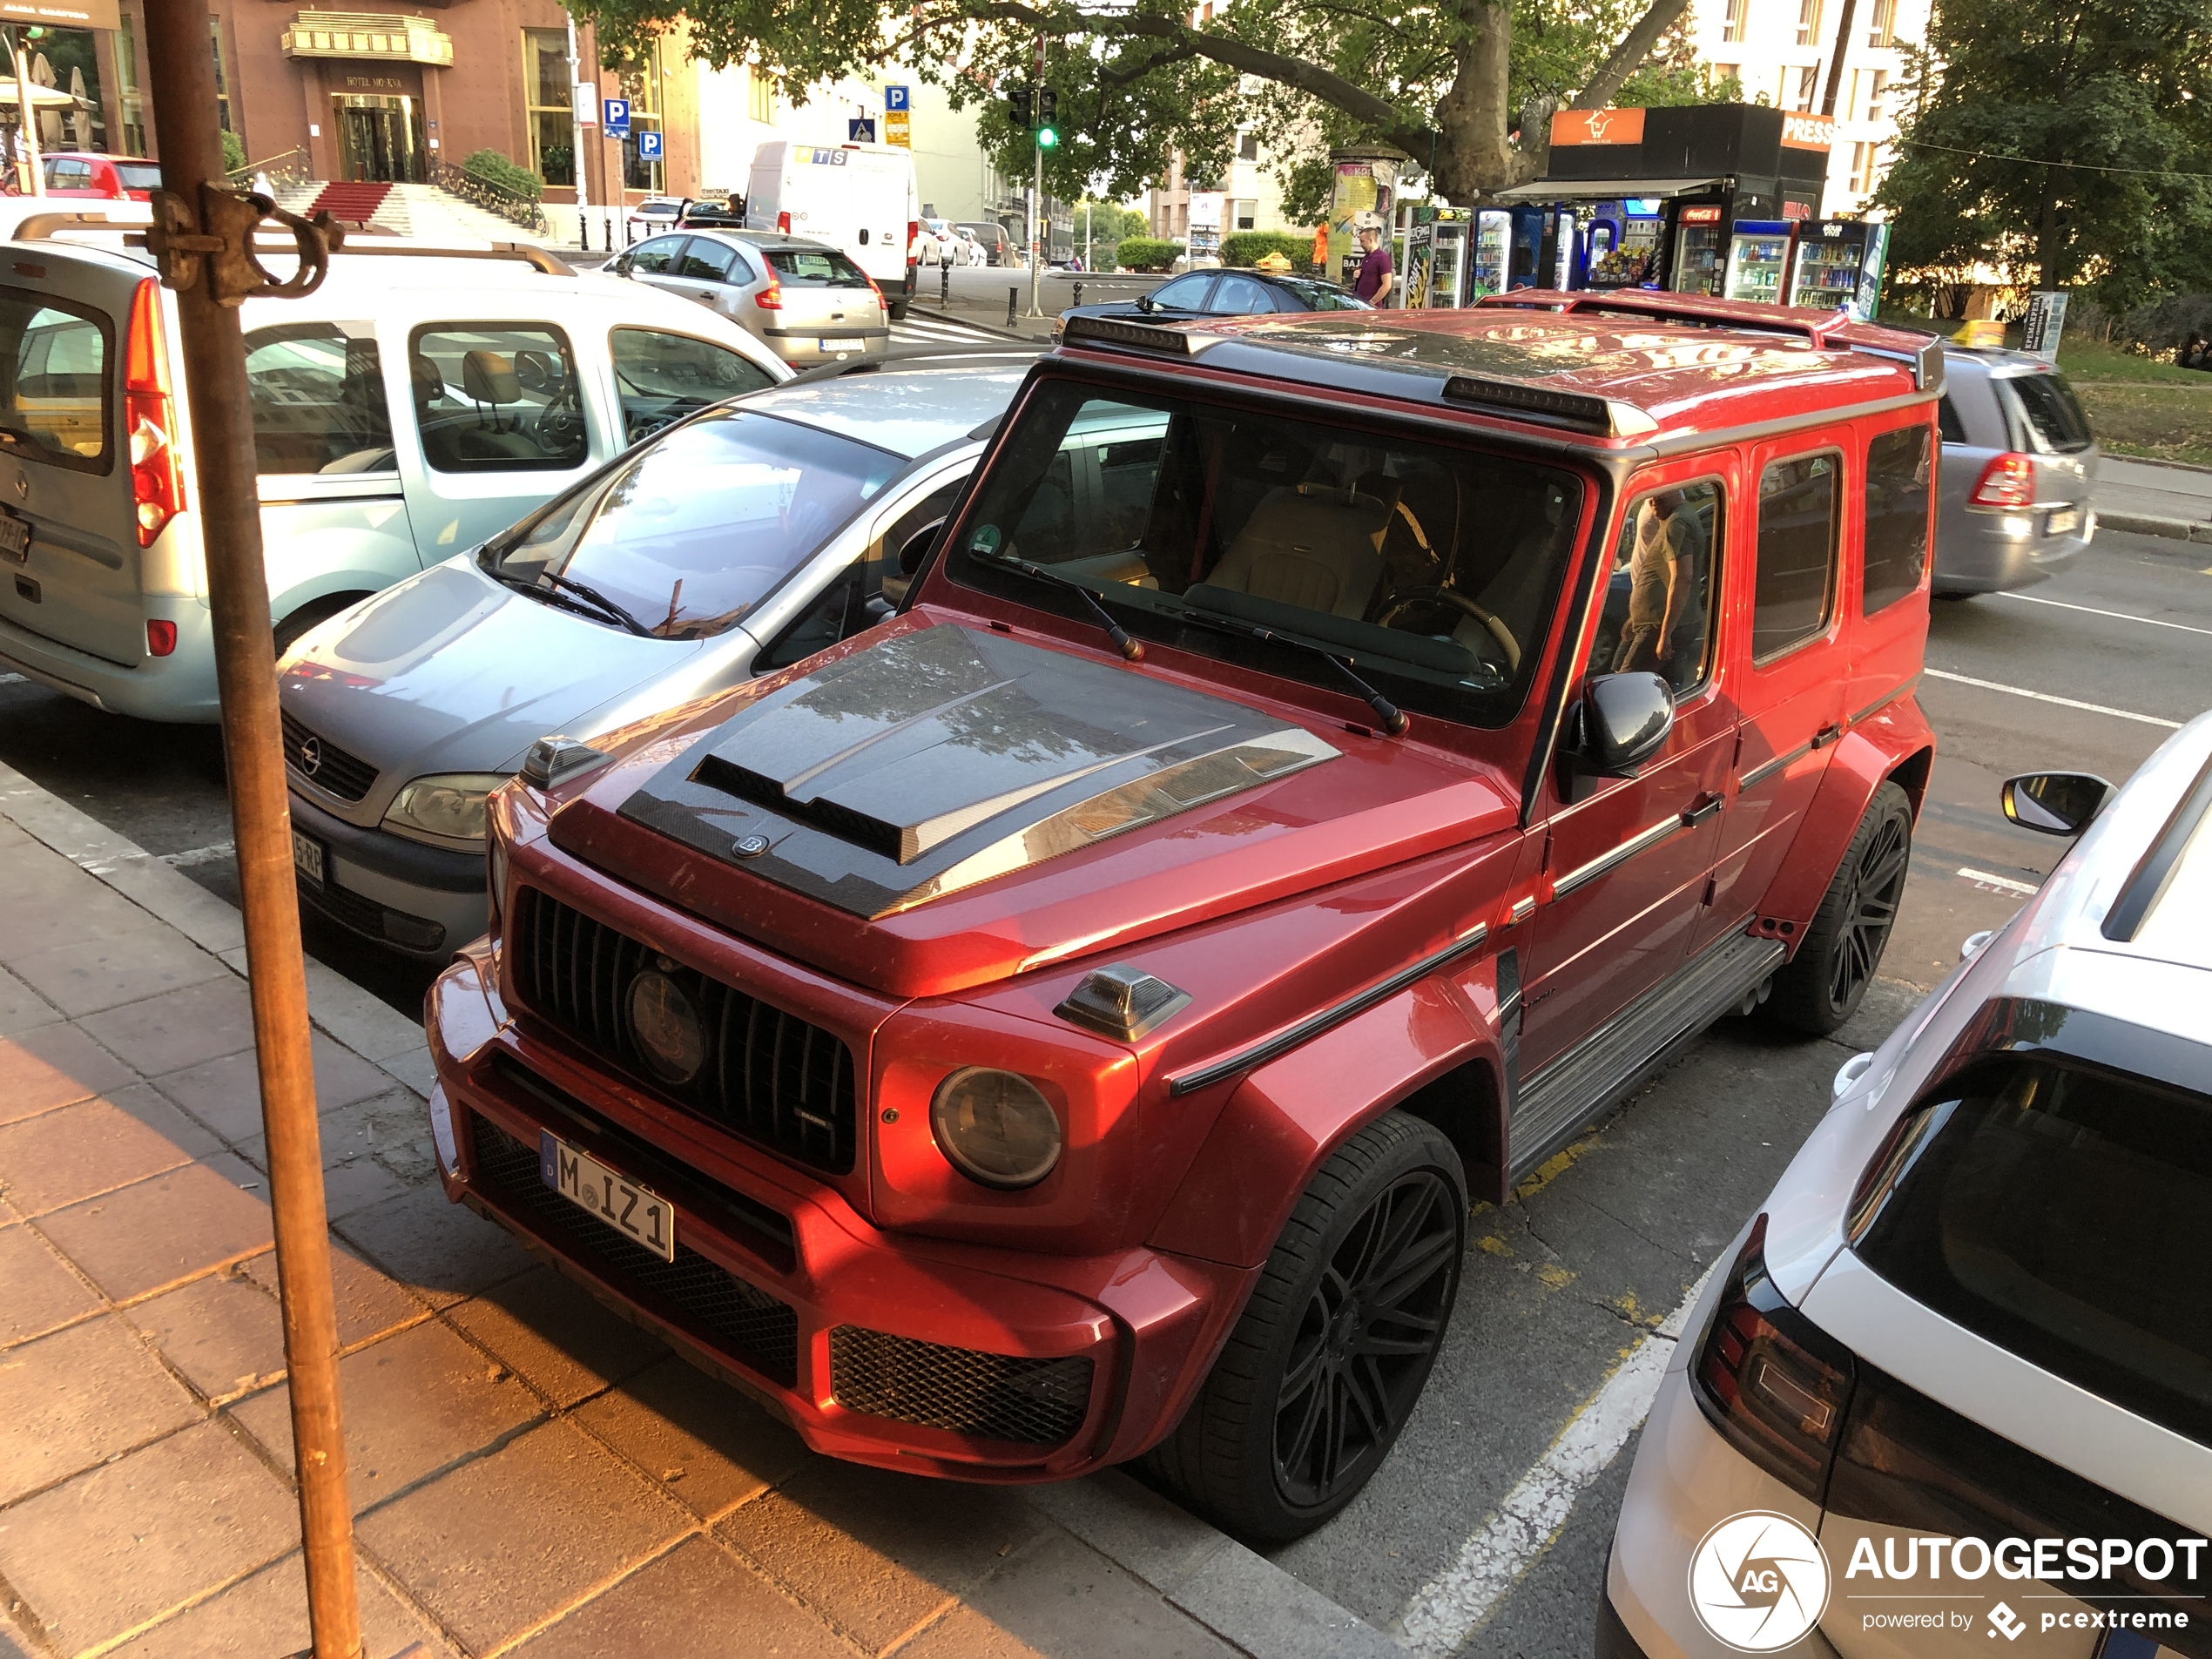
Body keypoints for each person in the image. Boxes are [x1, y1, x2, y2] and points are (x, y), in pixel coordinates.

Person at [1613, 490, 1706, 685]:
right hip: (1654, 620)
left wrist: (1665, 634)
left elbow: (1683, 577)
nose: (1654, 501)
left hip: (1659, 625)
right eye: (1652, 497)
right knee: (1663, 682)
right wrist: (1637, 617)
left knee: (1623, 686)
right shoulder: (1673, 517)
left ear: (1677, 489)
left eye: (1661, 495)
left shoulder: (1677, 522)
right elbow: (1663, 575)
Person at [1352, 223, 1395, 307]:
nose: (1361, 244)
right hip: (1361, 303)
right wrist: (1357, 274)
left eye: (1362, 241)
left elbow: (1387, 285)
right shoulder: (1367, 257)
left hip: (1372, 306)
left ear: (1371, 240)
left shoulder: (1383, 258)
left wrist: (1372, 302)